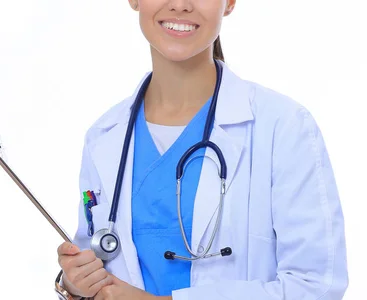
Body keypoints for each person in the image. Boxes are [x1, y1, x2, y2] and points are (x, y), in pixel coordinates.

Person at [54, 0, 348, 299]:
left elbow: (317, 287)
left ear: (229, 3)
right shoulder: (105, 137)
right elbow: (96, 260)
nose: (180, 5)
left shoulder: (283, 126)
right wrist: (75, 284)